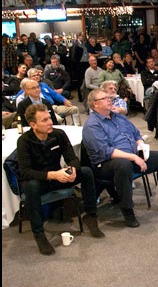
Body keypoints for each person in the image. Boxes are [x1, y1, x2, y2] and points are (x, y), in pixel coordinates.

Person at [83, 89, 158, 228]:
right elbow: (105, 151)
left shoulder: (118, 117)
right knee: (123, 165)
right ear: (95, 104)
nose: (109, 99)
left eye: (109, 97)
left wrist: (140, 144)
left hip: (132, 156)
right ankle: (127, 210)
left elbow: (135, 133)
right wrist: (133, 157)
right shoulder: (92, 125)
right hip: (106, 164)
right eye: (104, 98)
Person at [17, 103, 104, 255]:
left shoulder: (58, 134)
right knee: (31, 186)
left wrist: (72, 171)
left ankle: (91, 216)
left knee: (87, 172)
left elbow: (72, 158)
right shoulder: (24, 141)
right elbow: (25, 172)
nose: (50, 122)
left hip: (58, 177)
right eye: (44, 120)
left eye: (49, 118)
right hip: (40, 181)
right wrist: (53, 175)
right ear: (33, 124)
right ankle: (39, 233)